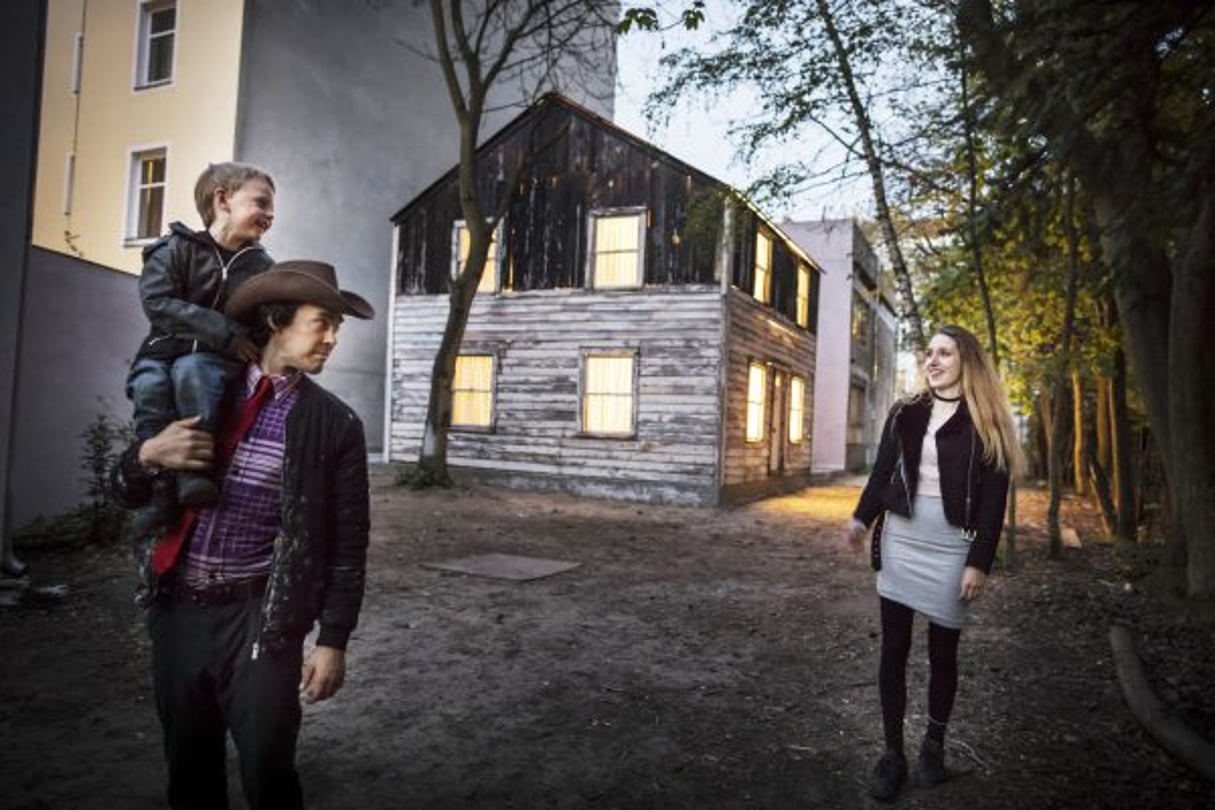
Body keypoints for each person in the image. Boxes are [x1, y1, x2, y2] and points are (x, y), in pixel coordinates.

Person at [112, 260, 375, 810]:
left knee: (270, 773)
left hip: (261, 619)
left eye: (337, 329)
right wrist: (146, 457)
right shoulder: (197, 386)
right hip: (176, 612)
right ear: (277, 320)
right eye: (321, 322)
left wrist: (332, 640)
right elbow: (124, 493)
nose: (331, 339)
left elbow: (348, 546)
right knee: (189, 774)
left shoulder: (335, 424)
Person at [845, 324, 1023, 801]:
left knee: (944, 654)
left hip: (952, 551)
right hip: (901, 542)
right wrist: (861, 519)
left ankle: (933, 750)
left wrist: (979, 562)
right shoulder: (906, 411)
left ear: (967, 360)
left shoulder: (988, 421)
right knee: (893, 651)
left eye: (945, 353)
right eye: (930, 353)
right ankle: (892, 755)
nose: (934, 360)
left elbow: (993, 502)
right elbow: (883, 472)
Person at [126, 162, 276, 507]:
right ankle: (160, 477)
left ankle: (195, 473)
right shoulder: (176, 249)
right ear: (223, 200)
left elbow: (263, 321)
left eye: (271, 209)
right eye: (261, 203)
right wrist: (224, 331)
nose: (270, 215)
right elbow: (157, 301)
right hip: (161, 352)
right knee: (149, 385)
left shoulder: (262, 269)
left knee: (192, 372)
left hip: (216, 362)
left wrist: (247, 339)